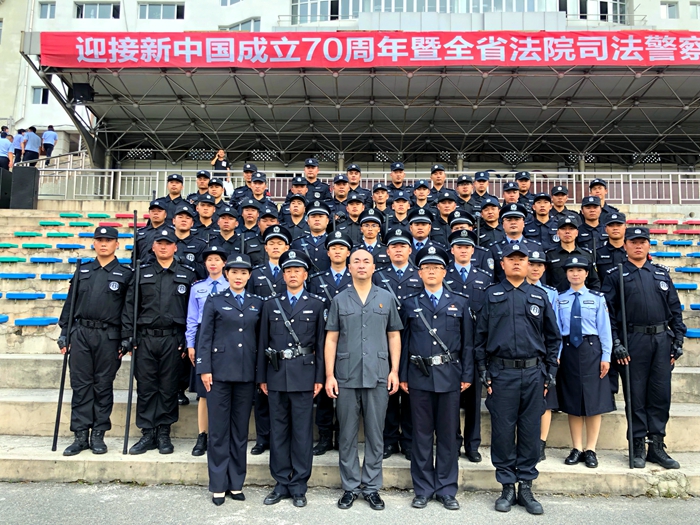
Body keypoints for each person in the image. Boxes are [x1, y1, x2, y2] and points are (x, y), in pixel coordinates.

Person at [474, 243, 561, 515]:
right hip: (501, 374)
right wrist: (483, 371)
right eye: (511, 259)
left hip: (534, 374)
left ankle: (526, 486)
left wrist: (550, 372)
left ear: (528, 265)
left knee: (529, 432)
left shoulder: (539, 296)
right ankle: (506, 487)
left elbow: (553, 338)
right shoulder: (491, 295)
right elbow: (480, 337)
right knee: (502, 432)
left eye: (521, 259)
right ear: (502, 264)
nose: (516, 263)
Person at [602, 227, 686, 469]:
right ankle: (638, 444)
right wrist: (616, 343)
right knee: (636, 396)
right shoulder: (616, 275)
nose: (638, 246)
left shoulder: (660, 273)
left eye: (642, 242)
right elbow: (609, 314)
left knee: (660, 395)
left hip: (661, 341)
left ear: (649, 245)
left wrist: (678, 339)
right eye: (633, 242)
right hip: (633, 341)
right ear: (625, 245)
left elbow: (675, 309)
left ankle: (656, 446)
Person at [325, 249, 403, 511]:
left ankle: (371, 488)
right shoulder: (339, 299)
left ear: (373, 267)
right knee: (346, 435)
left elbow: (394, 334)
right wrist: (329, 375)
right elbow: (332, 338)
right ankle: (350, 487)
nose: (361, 265)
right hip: (346, 375)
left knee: (375, 434)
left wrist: (394, 370)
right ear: (349, 267)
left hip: (378, 374)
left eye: (366, 261)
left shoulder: (386, 298)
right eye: (356, 261)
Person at [400, 246, 473, 510]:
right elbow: (404, 342)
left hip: (450, 376)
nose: (431, 272)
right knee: (420, 436)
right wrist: (403, 374)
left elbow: (467, 343)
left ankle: (446, 488)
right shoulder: (410, 303)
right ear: (419, 273)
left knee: (447, 435)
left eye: (436, 268)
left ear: (444, 272)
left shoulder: (460, 302)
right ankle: (422, 489)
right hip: (418, 376)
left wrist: (467, 373)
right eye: (426, 268)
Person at [257, 249, 326, 508]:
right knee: (278, 431)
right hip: (276, 375)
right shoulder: (270, 304)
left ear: (305, 275)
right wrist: (262, 377)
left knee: (301, 433)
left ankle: (298, 484)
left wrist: (319, 377)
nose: (293, 274)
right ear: (283, 275)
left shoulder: (316, 304)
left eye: (297, 270)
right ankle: (280, 482)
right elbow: (262, 343)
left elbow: (320, 344)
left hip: (305, 376)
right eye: (288, 271)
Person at [58, 226, 133, 456]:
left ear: (116, 244)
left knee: (103, 386)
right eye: (99, 240)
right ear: (93, 243)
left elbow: (128, 309)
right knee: (80, 385)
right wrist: (65, 333)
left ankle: (98, 433)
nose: (103, 243)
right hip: (81, 334)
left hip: (109, 337)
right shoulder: (82, 271)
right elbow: (70, 304)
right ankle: (80, 435)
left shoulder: (125, 274)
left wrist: (126, 338)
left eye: (108, 240)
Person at [123, 228, 197, 455]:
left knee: (168, 387)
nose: (164, 247)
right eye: (160, 243)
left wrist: (187, 339)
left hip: (173, 339)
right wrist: (128, 336)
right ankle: (147, 433)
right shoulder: (141, 273)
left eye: (168, 243)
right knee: (146, 387)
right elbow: (130, 306)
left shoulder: (187, 274)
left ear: (176, 247)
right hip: (145, 338)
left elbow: (192, 312)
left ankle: (164, 432)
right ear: (153, 247)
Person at [197, 254, 264, 505]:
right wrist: (204, 368)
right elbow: (205, 336)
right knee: (218, 431)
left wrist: (259, 374)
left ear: (249, 276)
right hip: (219, 373)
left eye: (243, 273)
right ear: (227, 274)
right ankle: (218, 484)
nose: (238, 277)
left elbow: (260, 340)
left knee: (239, 431)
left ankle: (236, 483)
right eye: (234, 272)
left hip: (246, 375)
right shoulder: (215, 300)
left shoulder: (257, 302)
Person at [557, 256, 614, 469]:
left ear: (587, 274)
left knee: (593, 401)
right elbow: (557, 330)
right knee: (573, 402)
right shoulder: (560, 299)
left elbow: (604, 329)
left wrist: (606, 356)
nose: (575, 274)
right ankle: (577, 448)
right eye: (571, 270)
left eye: (580, 270)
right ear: (566, 274)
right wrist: (557, 354)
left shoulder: (597, 298)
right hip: (569, 350)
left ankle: (591, 449)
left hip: (592, 350)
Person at [443, 229, 493, 462]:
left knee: (473, 400)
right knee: (451, 400)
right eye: (459, 247)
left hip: (475, 345)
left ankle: (473, 445)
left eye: (467, 247)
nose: (463, 250)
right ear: (452, 250)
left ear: (473, 251)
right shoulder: (444, 275)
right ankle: (454, 441)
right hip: (450, 345)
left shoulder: (484, 278)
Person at [372, 227, 421, 461]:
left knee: (410, 391)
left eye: (403, 246)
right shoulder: (378, 276)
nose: (398, 250)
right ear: (388, 251)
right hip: (384, 337)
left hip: (413, 337)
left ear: (410, 250)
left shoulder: (419, 274)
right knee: (388, 392)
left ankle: (409, 440)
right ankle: (389, 439)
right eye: (394, 246)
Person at [308, 231, 355, 455]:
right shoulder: (317, 280)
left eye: (341, 248)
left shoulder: (356, 278)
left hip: (350, 339)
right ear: (327, 253)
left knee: (347, 392)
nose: (337, 251)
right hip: (323, 338)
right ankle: (325, 436)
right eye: (333, 248)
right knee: (325, 391)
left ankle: (344, 435)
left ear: (348, 252)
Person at [185, 246, 228, 457]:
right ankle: (202, 435)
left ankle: (221, 435)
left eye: (217, 259)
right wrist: (190, 344)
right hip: (203, 336)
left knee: (224, 388)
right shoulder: (198, 287)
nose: (213, 263)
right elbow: (192, 318)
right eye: (209, 259)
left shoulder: (231, 285)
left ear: (224, 263)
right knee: (204, 391)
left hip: (226, 336)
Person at [525, 250, 559, 462]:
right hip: (525, 351)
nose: (535, 268)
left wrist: (556, 356)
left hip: (545, 353)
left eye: (540, 265)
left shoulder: (550, 293)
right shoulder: (516, 289)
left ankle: (541, 443)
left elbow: (556, 328)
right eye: (532, 264)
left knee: (546, 400)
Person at [544, 215, 600, 292]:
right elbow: (546, 282)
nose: (567, 232)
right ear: (558, 233)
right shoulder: (550, 255)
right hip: (557, 297)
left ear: (577, 233)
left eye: (571, 229)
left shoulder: (586, 254)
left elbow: (594, 281)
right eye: (563, 229)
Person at [489, 203, 541, 282]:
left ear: (523, 223)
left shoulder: (535, 247)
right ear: (503, 224)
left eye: (517, 219)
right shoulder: (494, 248)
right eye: (509, 220)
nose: (513, 222)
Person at [292, 200, 332, 274]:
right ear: (308, 221)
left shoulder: (333, 241)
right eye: (313, 216)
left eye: (321, 216)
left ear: (327, 220)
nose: (317, 219)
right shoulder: (297, 243)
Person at [135, 200, 170, 264]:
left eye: (159, 211)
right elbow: (135, 255)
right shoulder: (140, 232)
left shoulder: (171, 232)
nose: (156, 213)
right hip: (142, 267)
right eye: (153, 211)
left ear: (165, 214)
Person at [596, 213, 627, 283]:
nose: (615, 228)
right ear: (606, 229)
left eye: (619, 225)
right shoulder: (598, 254)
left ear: (625, 227)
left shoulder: (632, 252)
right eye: (611, 225)